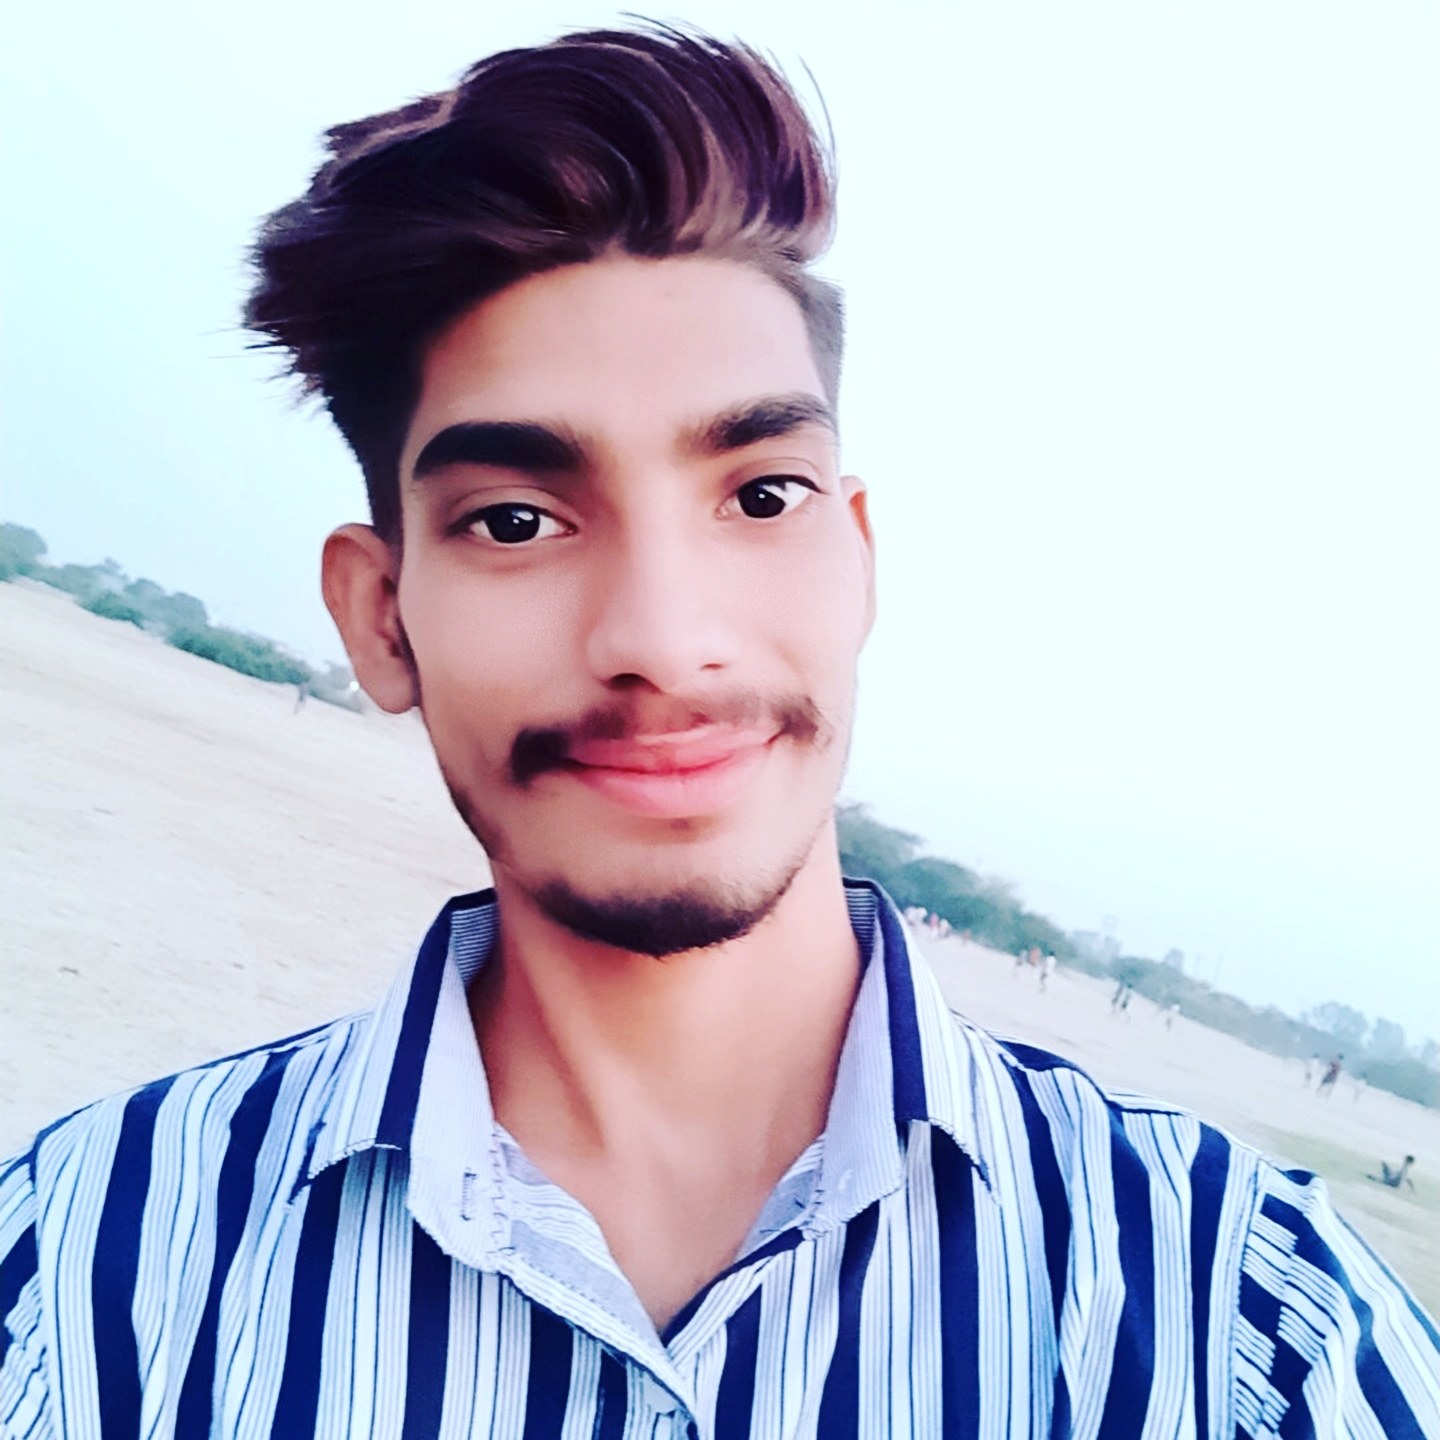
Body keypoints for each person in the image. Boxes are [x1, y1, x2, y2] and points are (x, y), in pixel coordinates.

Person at [2, 25, 1437, 1440]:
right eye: (517, 521)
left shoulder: (1244, 1320)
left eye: (761, 496)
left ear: (859, 559)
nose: (662, 637)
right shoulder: (84, 1276)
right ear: (381, 620)